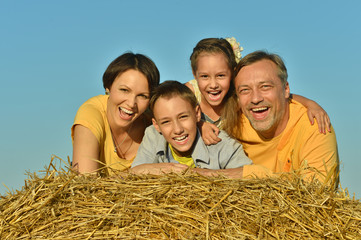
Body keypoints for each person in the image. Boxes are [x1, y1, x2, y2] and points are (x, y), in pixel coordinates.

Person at [186, 37, 331, 145]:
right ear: (195, 74)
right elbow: (166, 111)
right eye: (204, 76)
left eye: (221, 76)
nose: (213, 84)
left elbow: (282, 95)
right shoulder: (189, 93)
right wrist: (199, 124)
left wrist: (310, 104)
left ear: (232, 73)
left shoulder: (236, 98)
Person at [222, 50, 339, 184]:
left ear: (286, 89)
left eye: (265, 87)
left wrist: (248, 174)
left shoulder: (315, 125)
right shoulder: (231, 126)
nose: (255, 99)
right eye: (245, 90)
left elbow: (316, 196)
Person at [130, 81, 252, 176]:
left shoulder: (219, 141)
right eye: (166, 122)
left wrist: (200, 174)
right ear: (156, 125)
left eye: (183, 117)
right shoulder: (153, 135)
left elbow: (250, 174)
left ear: (197, 113)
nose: (178, 130)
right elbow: (133, 173)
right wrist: (164, 169)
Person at [71, 52, 160, 175]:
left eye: (142, 96)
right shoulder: (91, 113)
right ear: (108, 86)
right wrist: (136, 173)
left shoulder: (155, 123)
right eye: (124, 90)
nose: (131, 103)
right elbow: (84, 186)